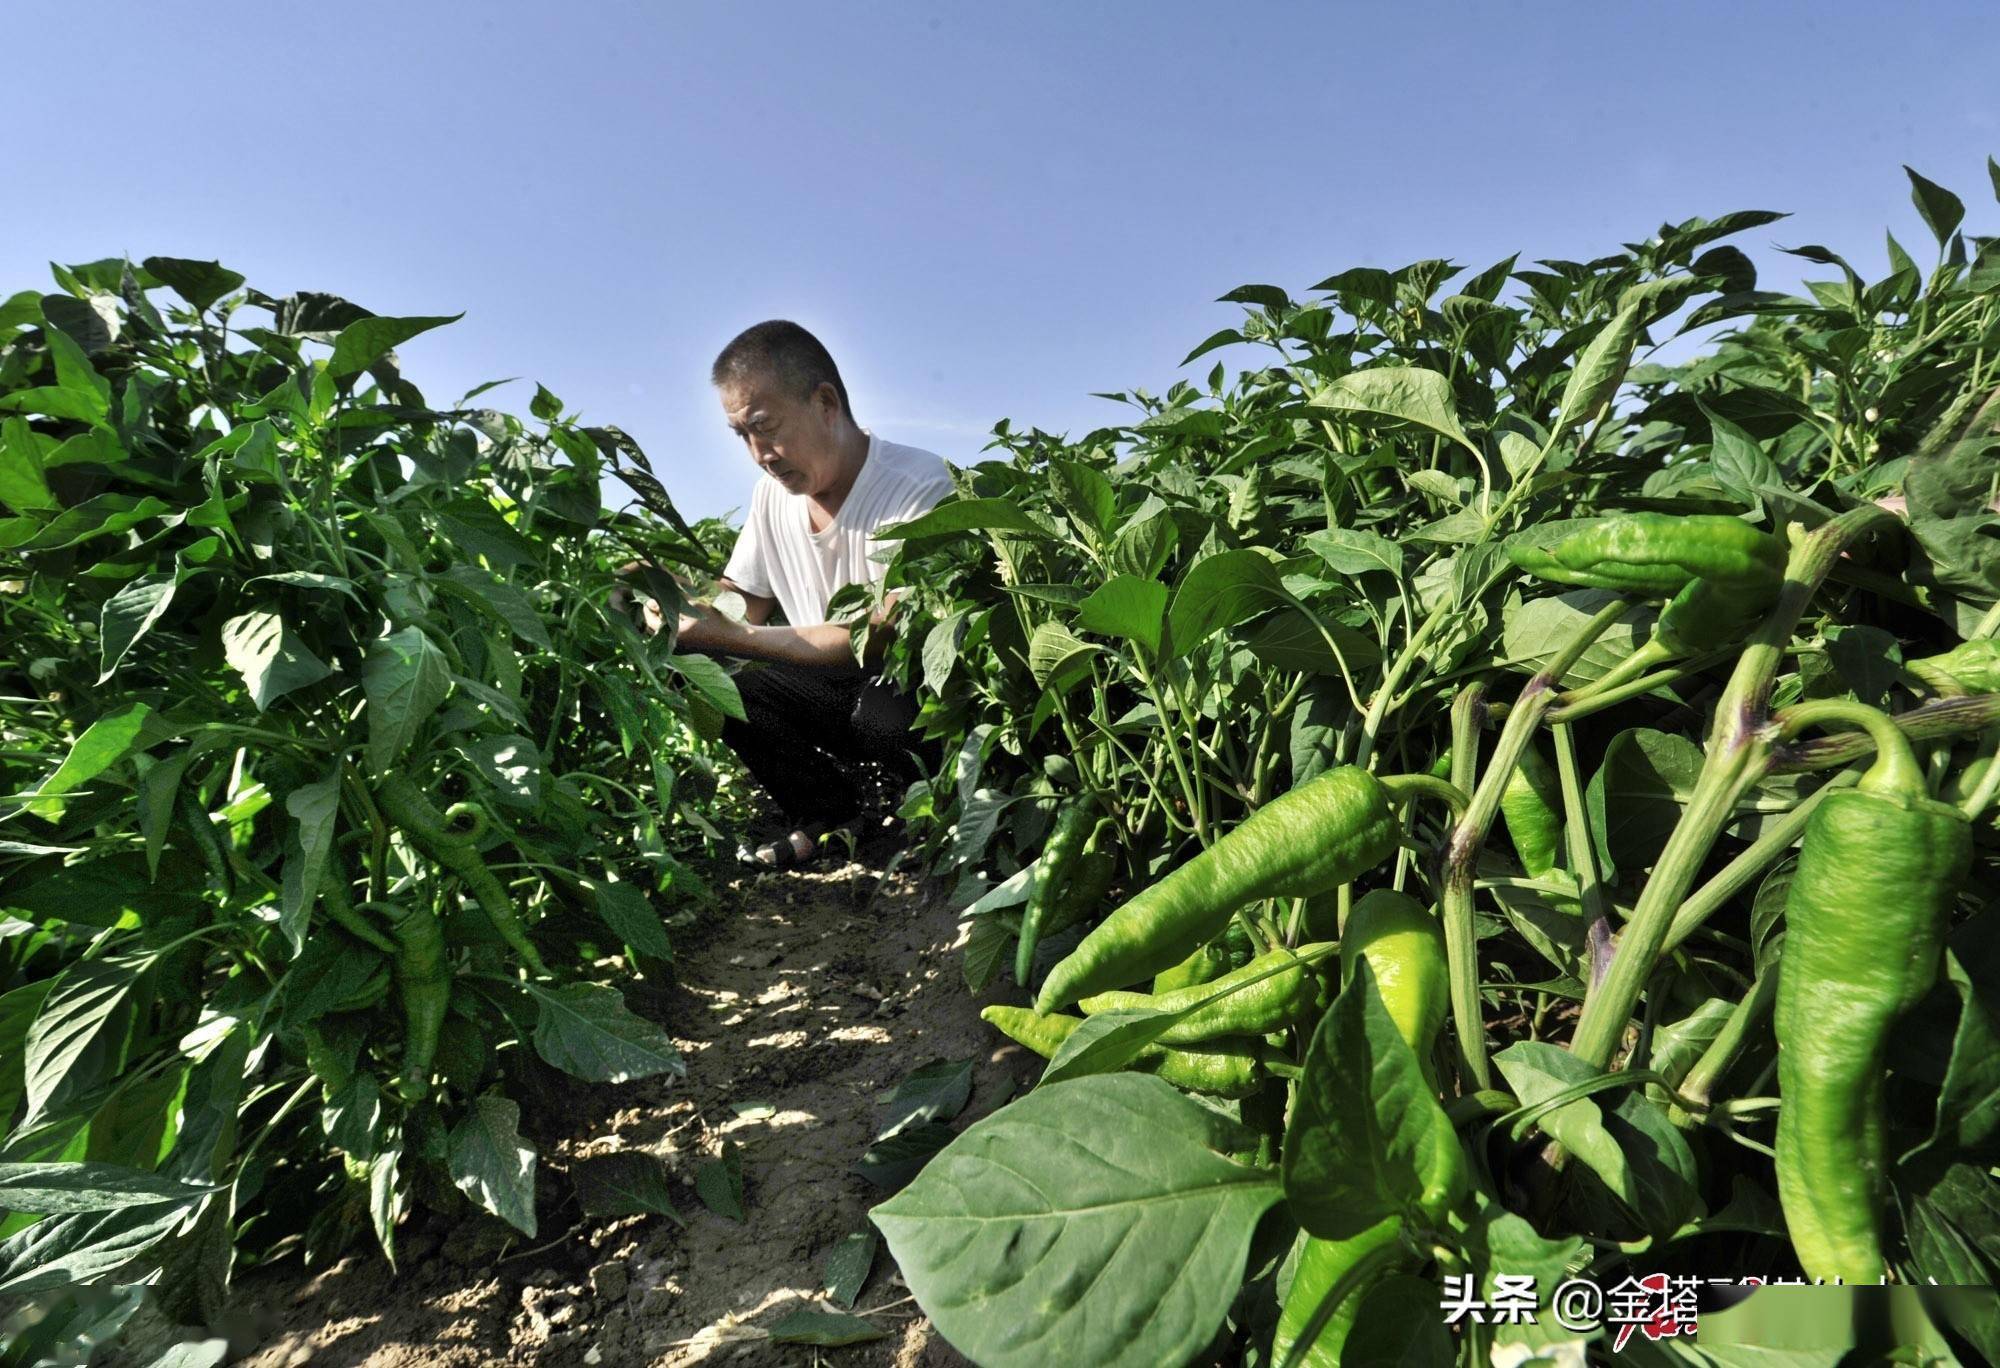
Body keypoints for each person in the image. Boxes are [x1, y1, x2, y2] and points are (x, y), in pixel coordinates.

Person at [626, 320, 956, 867]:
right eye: (743, 435)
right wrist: (680, 598)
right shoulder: (770, 498)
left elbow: (883, 636)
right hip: (825, 691)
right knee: (712, 678)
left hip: (908, 695)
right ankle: (826, 809)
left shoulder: (918, 484)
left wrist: (737, 633)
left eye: (765, 426)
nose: (759, 453)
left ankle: (931, 801)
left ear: (825, 403)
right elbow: (738, 605)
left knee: (886, 714)